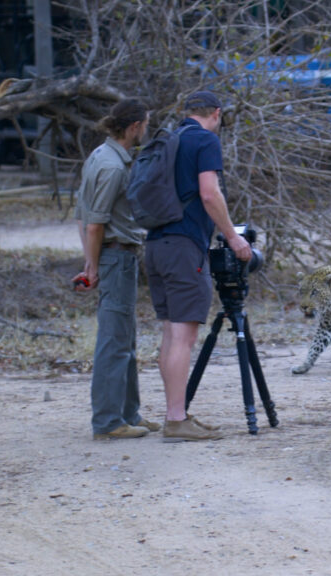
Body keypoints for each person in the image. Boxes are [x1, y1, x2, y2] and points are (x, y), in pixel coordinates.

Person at [144, 91, 252, 442]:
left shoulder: (169, 139)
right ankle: (176, 420)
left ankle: (176, 414)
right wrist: (233, 238)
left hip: (156, 244)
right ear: (216, 114)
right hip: (184, 246)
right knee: (184, 337)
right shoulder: (205, 140)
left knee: (170, 334)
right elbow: (209, 193)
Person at [73, 99, 159, 440]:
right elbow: (94, 224)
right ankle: (108, 422)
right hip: (116, 257)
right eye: (146, 124)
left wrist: (90, 261)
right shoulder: (112, 167)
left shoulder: (101, 156)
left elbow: (81, 214)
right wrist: (93, 266)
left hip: (114, 257)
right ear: (135, 126)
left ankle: (128, 414)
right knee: (114, 341)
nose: (147, 130)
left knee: (125, 339)